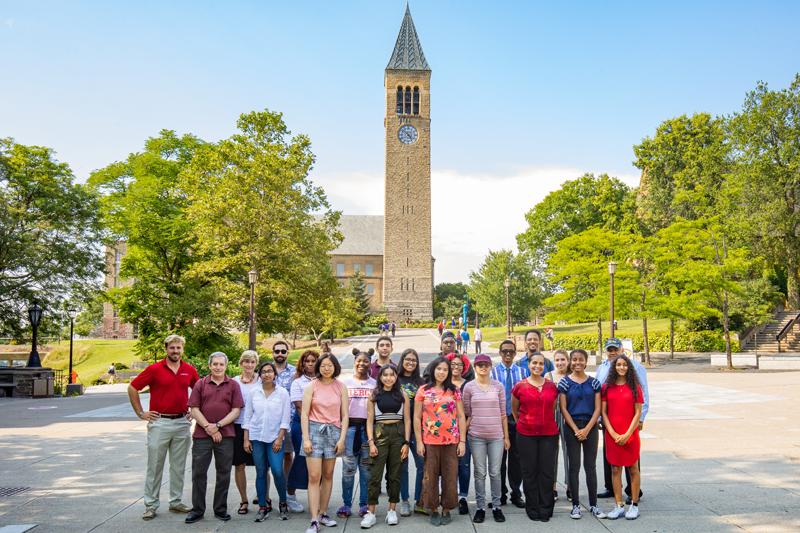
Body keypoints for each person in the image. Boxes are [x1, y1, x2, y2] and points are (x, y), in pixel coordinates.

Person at [128, 334, 199, 521]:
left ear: (182, 349)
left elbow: (199, 390)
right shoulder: (154, 369)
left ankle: (175, 501)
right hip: (160, 423)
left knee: (178, 466)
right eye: (172, 348)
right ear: (166, 349)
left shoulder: (189, 370)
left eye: (178, 348)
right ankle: (151, 505)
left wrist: (194, 409)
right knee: (155, 465)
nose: (175, 351)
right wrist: (140, 412)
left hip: (182, 423)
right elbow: (133, 387)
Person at [185, 352, 244, 524]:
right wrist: (209, 428)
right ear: (209, 365)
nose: (218, 367)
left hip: (226, 436)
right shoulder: (200, 384)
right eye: (215, 364)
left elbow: (236, 411)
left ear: (226, 366)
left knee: (224, 473)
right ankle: (197, 510)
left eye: (221, 364)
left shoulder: (233, 385)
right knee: (198, 473)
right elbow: (194, 408)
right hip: (202, 436)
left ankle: (220, 509)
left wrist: (217, 426)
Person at [414, 356, 467, 526]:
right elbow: (416, 417)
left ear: (449, 372)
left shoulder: (454, 390)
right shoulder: (423, 390)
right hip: (430, 441)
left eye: (445, 369)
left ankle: (447, 508)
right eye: (439, 369)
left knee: (450, 476)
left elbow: (460, 416)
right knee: (429, 477)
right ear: (433, 370)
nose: (442, 372)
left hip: (451, 441)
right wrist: (419, 442)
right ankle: (433, 508)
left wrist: (462, 441)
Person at [595, 338, 649, 504]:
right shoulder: (602, 367)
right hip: (609, 419)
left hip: (629, 419)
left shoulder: (634, 367)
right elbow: (598, 392)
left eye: (615, 349)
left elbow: (643, 393)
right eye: (609, 350)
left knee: (631, 458)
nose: (612, 352)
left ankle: (633, 492)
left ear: (621, 350)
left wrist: (641, 418)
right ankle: (611, 487)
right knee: (611, 458)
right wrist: (599, 417)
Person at [301, 353, 349, 533]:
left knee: (328, 475)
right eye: (323, 365)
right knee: (314, 476)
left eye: (330, 365)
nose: (326, 368)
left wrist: (342, 438)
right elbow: (304, 414)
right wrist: (306, 438)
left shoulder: (341, 387)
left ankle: (323, 513)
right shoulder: (311, 386)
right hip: (314, 431)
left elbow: (345, 415)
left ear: (335, 367)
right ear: (318, 367)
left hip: (334, 432)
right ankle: (314, 519)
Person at [361, 364, 411, 528]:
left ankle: (391, 510)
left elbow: (408, 420)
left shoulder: (402, 394)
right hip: (379, 434)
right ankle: (371, 513)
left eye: (392, 375)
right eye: (385, 375)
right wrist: (371, 442)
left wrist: (406, 442)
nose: (388, 378)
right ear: (380, 377)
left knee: (395, 475)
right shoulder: (374, 395)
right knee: (374, 475)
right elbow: (369, 420)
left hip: (398, 435)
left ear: (396, 377)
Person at [511, 353, 558, 522]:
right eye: (534, 363)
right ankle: (532, 507)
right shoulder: (520, 386)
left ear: (545, 366)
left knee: (546, 472)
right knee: (529, 472)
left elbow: (553, 408)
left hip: (548, 434)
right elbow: (515, 409)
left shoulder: (552, 387)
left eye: (541, 363)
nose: (537, 366)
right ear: (528, 365)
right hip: (526, 435)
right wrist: (523, 423)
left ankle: (546, 508)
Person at [558, 349, 604, 519]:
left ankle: (594, 505)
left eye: (581, 360)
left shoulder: (594, 383)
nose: (577, 362)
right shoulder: (564, 383)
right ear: (571, 362)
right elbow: (563, 408)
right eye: (574, 360)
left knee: (590, 466)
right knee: (574, 466)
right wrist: (576, 429)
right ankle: (576, 505)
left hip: (590, 426)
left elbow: (598, 408)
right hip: (572, 427)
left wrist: (587, 429)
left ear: (586, 362)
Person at [463, 354, 508, 523]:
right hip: (476, 437)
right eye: (480, 365)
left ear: (490, 367)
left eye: (486, 365)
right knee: (480, 473)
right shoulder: (469, 387)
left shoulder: (498, 386)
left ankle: (496, 506)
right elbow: (468, 411)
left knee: (495, 472)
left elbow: (503, 414)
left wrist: (506, 437)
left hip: (496, 436)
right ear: (475, 367)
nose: (483, 367)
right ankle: (480, 507)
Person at [243, 361, 291, 522]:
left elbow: (286, 418)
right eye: (263, 372)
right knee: (261, 471)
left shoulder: (283, 393)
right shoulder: (253, 392)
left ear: (274, 374)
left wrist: (279, 438)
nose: (267, 374)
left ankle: (283, 503)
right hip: (256, 438)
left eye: (270, 371)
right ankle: (263, 506)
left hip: (275, 438)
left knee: (277, 470)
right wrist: (246, 439)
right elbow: (247, 417)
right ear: (260, 375)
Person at [601, 354, 643, 520]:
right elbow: (603, 412)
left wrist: (627, 434)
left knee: (633, 469)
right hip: (612, 434)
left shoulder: (635, 387)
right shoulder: (606, 387)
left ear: (629, 367)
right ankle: (618, 505)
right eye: (618, 364)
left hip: (630, 434)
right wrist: (612, 433)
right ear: (614, 366)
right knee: (615, 469)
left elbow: (638, 412)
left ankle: (634, 504)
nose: (621, 367)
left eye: (624, 365)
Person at [337, 349, 376, 519]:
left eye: (365, 361)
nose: (362, 364)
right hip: (350, 429)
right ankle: (346, 504)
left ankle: (364, 504)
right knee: (348, 469)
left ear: (370, 363)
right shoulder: (344, 383)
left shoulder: (375, 384)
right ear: (354, 362)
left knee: (366, 470)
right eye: (359, 361)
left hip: (367, 430)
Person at [490, 339, 527, 509]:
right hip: (498, 420)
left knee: (517, 459)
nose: (507, 354)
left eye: (511, 351)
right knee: (499, 460)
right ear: (500, 352)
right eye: (504, 351)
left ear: (515, 353)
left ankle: (516, 493)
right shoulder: (492, 373)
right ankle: (501, 494)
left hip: (517, 420)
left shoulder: (522, 372)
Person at [272, 340, 303, 513]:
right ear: (272, 353)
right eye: (277, 351)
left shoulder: (294, 373)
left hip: (290, 422)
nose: (280, 354)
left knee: (288, 457)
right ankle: (268, 494)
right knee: (270, 461)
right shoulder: (266, 371)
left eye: (283, 351)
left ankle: (288, 493)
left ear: (288, 353)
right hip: (269, 423)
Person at [287, 350, 319, 512]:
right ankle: (290, 495)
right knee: (301, 460)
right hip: (302, 426)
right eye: (307, 361)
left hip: (322, 425)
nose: (311, 364)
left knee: (318, 461)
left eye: (314, 361)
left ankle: (316, 497)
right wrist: (309, 428)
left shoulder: (324, 381)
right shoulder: (297, 382)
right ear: (303, 363)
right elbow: (300, 407)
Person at [397, 348, 426, 516]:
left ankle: (419, 500)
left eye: (414, 360)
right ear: (402, 360)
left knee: (422, 466)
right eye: (407, 359)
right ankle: (405, 500)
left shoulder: (422, 382)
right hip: (399, 430)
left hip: (418, 431)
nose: (410, 362)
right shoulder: (395, 379)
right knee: (402, 467)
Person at [233, 350, 260, 516]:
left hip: (258, 427)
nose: (249, 365)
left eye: (252, 362)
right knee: (239, 465)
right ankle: (243, 500)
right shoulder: (234, 382)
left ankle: (263, 496)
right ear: (241, 363)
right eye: (246, 361)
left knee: (262, 466)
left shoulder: (262, 379)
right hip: (238, 425)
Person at [446, 352, 473, 516]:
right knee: (448, 467)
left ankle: (462, 497)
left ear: (464, 368)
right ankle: (449, 495)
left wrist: (463, 429)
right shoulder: (443, 384)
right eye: (453, 364)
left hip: (464, 432)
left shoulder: (469, 385)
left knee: (464, 465)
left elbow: (470, 411)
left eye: (459, 365)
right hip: (445, 433)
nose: (456, 367)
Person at [545, 349, 569, 502]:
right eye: (557, 360)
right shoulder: (549, 376)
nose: (560, 363)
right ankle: (552, 486)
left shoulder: (572, 376)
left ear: (568, 361)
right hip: (552, 415)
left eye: (563, 360)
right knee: (551, 453)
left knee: (569, 452)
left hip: (568, 416)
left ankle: (570, 486)